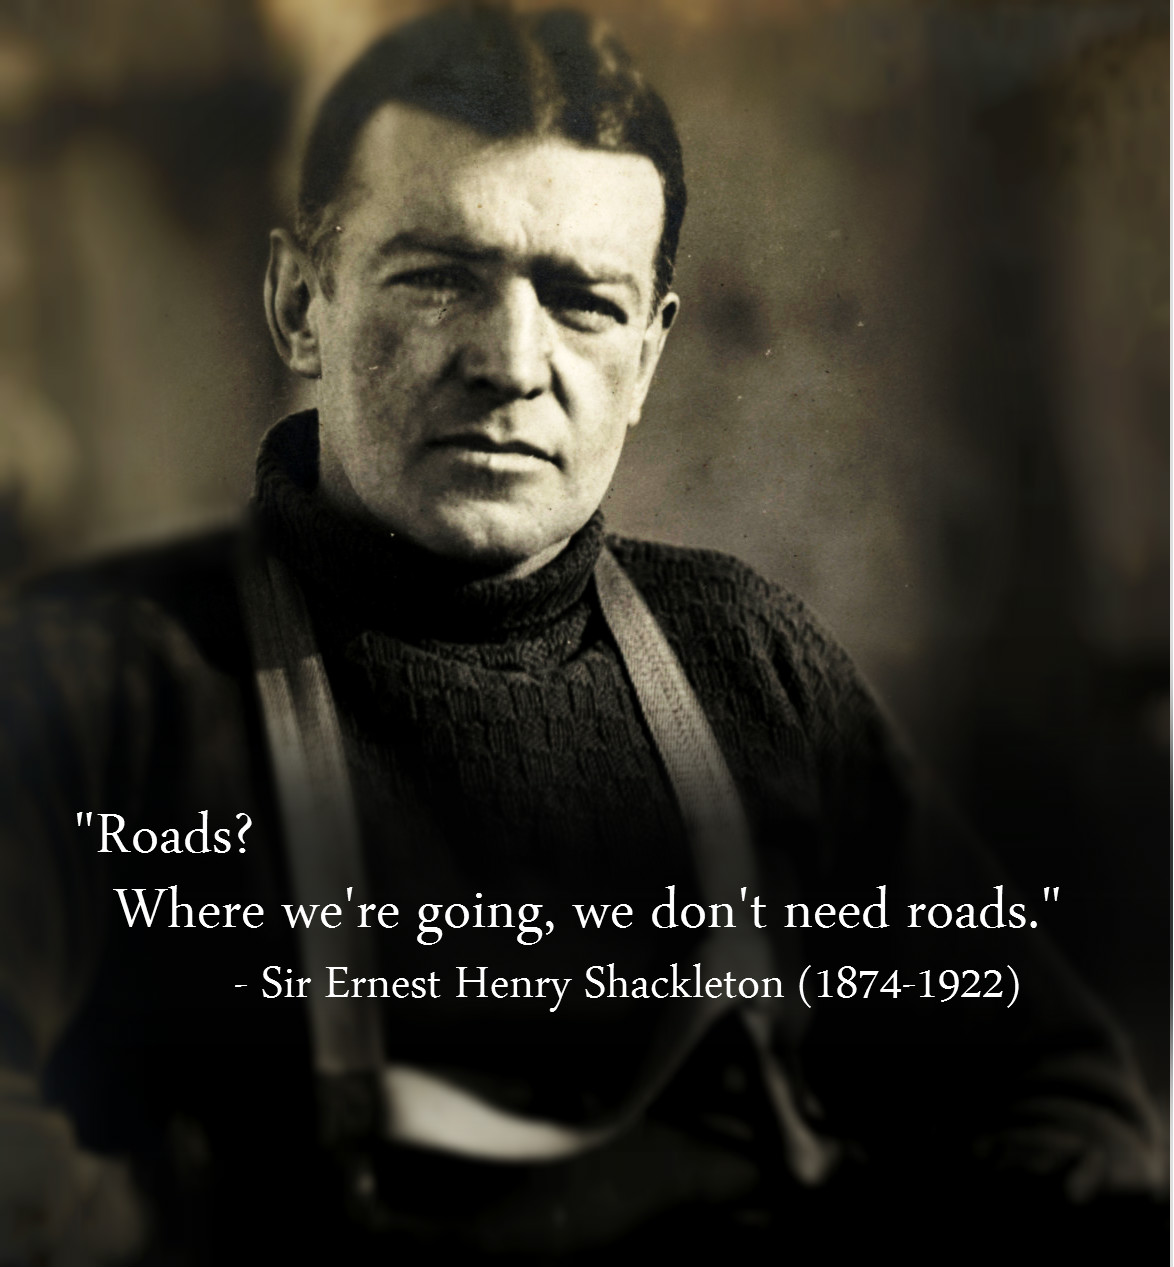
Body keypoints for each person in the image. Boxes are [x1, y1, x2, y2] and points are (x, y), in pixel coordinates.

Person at [0, 7, 1162, 1264]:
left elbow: (1059, 1096)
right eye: (437, 277)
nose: (511, 361)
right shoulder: (97, 683)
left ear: (648, 358)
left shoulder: (750, 665)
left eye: (582, 301)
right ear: (300, 305)